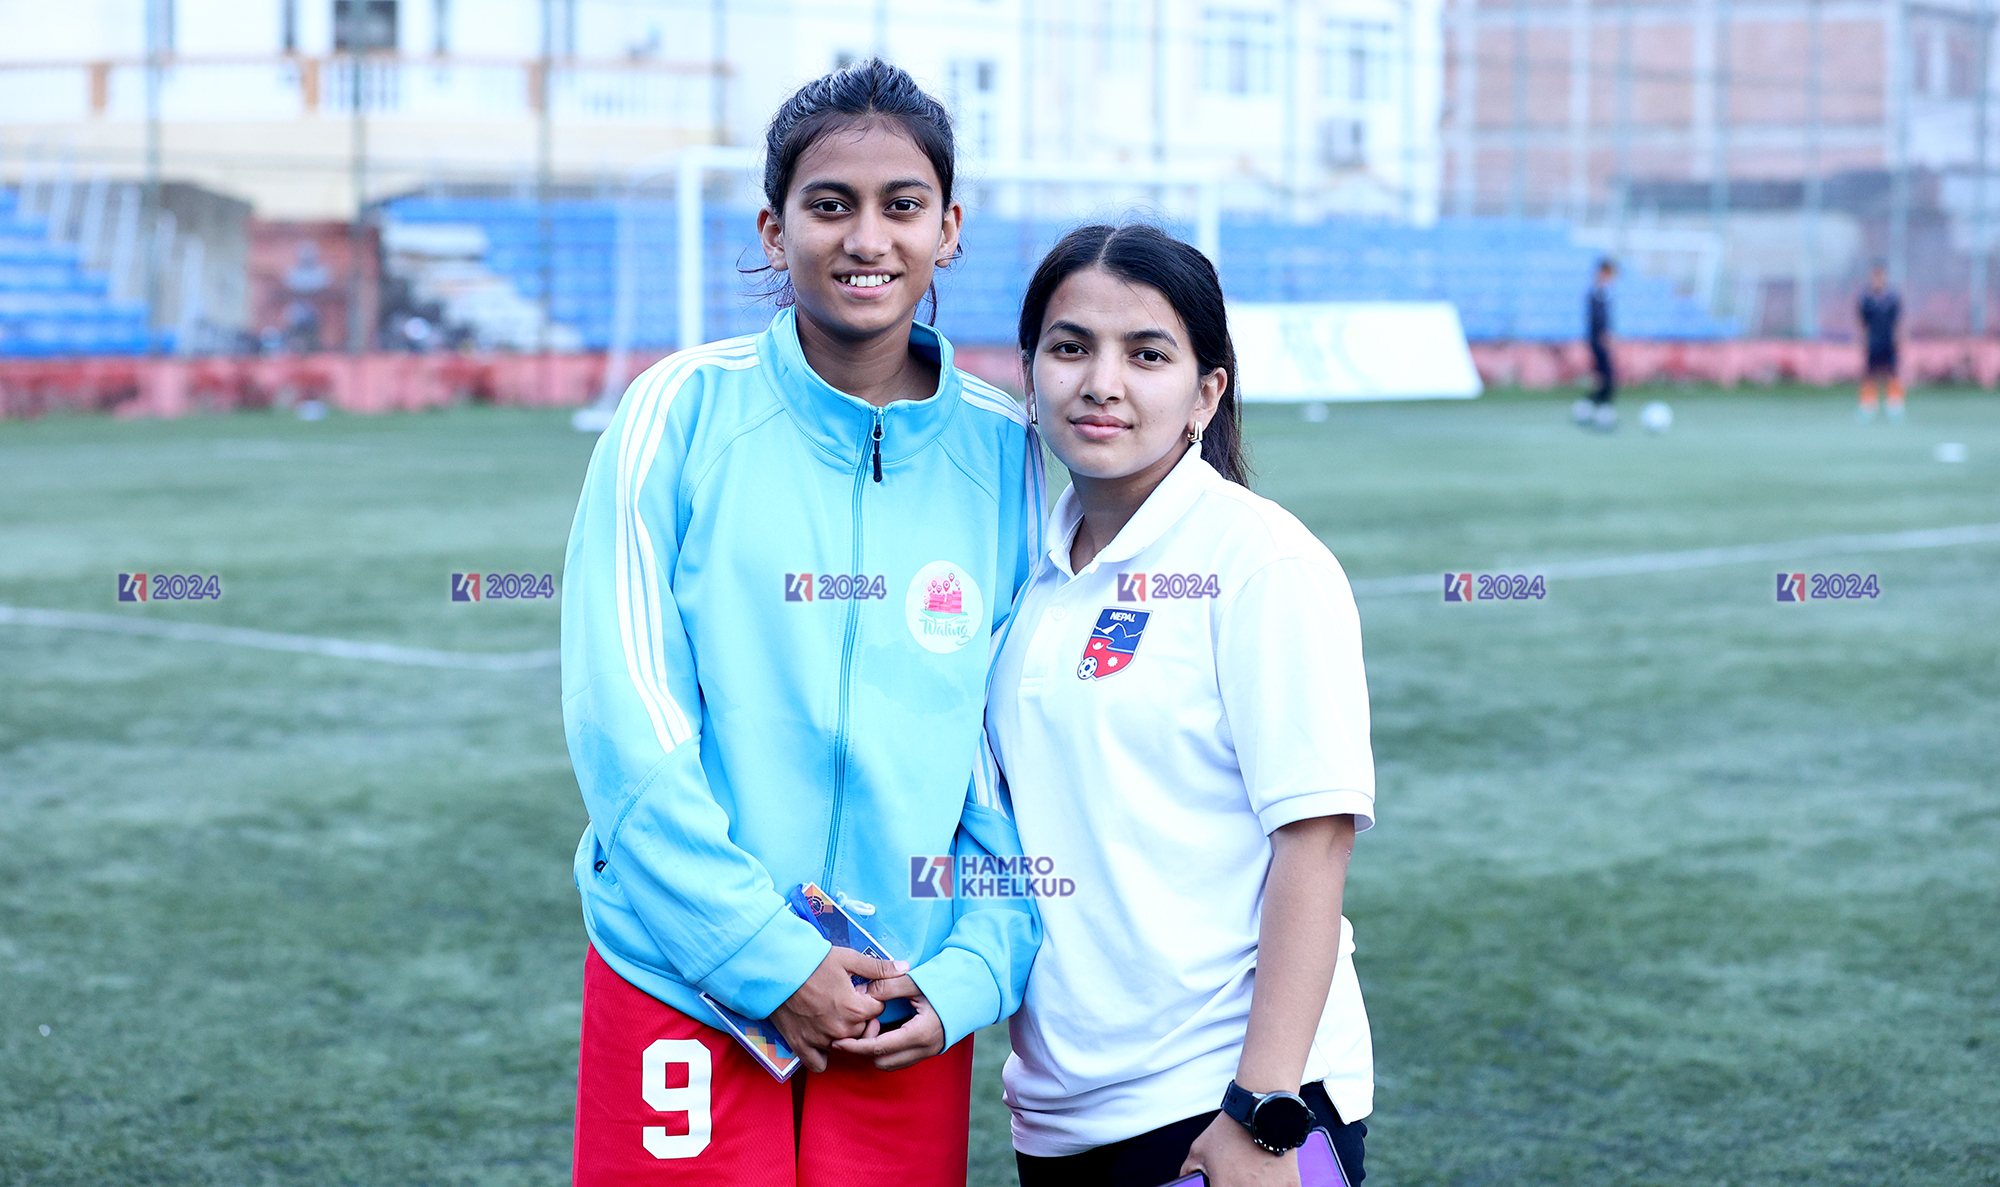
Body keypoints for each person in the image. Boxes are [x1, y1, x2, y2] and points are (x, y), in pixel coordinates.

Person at [560, 60, 1042, 1187]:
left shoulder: (1006, 449)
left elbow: (1010, 752)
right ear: (775, 231)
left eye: (902, 205)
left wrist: (972, 967)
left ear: (948, 229)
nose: (866, 237)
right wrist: (763, 954)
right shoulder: (677, 412)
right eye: (831, 205)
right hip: (684, 972)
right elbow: (623, 717)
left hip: (896, 998)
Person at [989, 223, 1375, 1187]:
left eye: (1146, 354)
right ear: (1029, 374)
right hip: (1060, 1113)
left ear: (1207, 392)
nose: (1102, 382)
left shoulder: (1261, 561)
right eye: (1070, 347)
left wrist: (1262, 1108)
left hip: (1222, 1102)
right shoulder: (1025, 572)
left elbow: (1316, 839)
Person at [1573, 256, 1618, 432]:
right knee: (1606, 376)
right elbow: (1596, 318)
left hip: (1600, 338)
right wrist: (1603, 335)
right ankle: (1602, 409)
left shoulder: (1604, 292)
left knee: (1603, 376)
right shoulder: (1596, 292)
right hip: (1597, 339)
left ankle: (1586, 407)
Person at [1857, 263, 1904, 423]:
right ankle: (1868, 406)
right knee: (1869, 374)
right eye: (1875, 277)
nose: (1878, 280)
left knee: (1893, 373)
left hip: (1889, 341)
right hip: (1872, 341)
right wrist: (1862, 340)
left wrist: (1899, 339)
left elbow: (1898, 322)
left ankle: (1895, 406)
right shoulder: (1865, 299)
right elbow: (1862, 323)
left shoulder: (1893, 299)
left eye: (1880, 276)